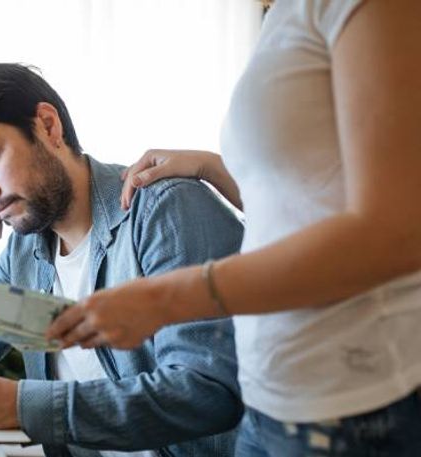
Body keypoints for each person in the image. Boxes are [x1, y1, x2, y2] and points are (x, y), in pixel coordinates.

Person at [48, 1, 421, 455]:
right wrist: (213, 166)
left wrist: (162, 298)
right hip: (270, 398)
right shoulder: (283, 16)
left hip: (352, 405)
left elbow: (393, 235)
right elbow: (307, 206)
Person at [0, 62, 245, 457]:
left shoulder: (164, 212)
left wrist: (19, 406)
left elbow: (206, 394)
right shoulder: (28, 258)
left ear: (48, 127)